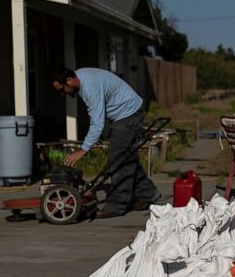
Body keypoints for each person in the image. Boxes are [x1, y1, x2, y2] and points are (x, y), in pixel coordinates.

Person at [53, 67, 159, 219]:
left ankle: (117, 205)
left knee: (117, 162)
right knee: (126, 157)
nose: (62, 94)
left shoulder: (90, 87)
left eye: (62, 90)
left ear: (69, 80)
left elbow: (97, 122)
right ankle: (148, 193)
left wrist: (83, 150)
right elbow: (98, 113)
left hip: (128, 114)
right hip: (126, 113)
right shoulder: (81, 77)